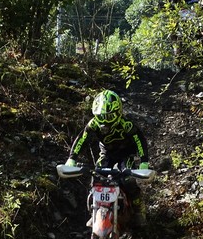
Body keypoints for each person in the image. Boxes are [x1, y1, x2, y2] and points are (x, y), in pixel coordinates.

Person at [65, 89, 151, 228]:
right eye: (101, 116)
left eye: (109, 117)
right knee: (96, 178)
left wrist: (144, 161)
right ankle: (95, 212)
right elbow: (82, 139)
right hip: (107, 153)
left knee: (128, 180)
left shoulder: (126, 124)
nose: (105, 121)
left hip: (125, 153)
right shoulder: (93, 124)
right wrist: (72, 158)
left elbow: (139, 140)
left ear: (118, 113)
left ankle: (138, 210)